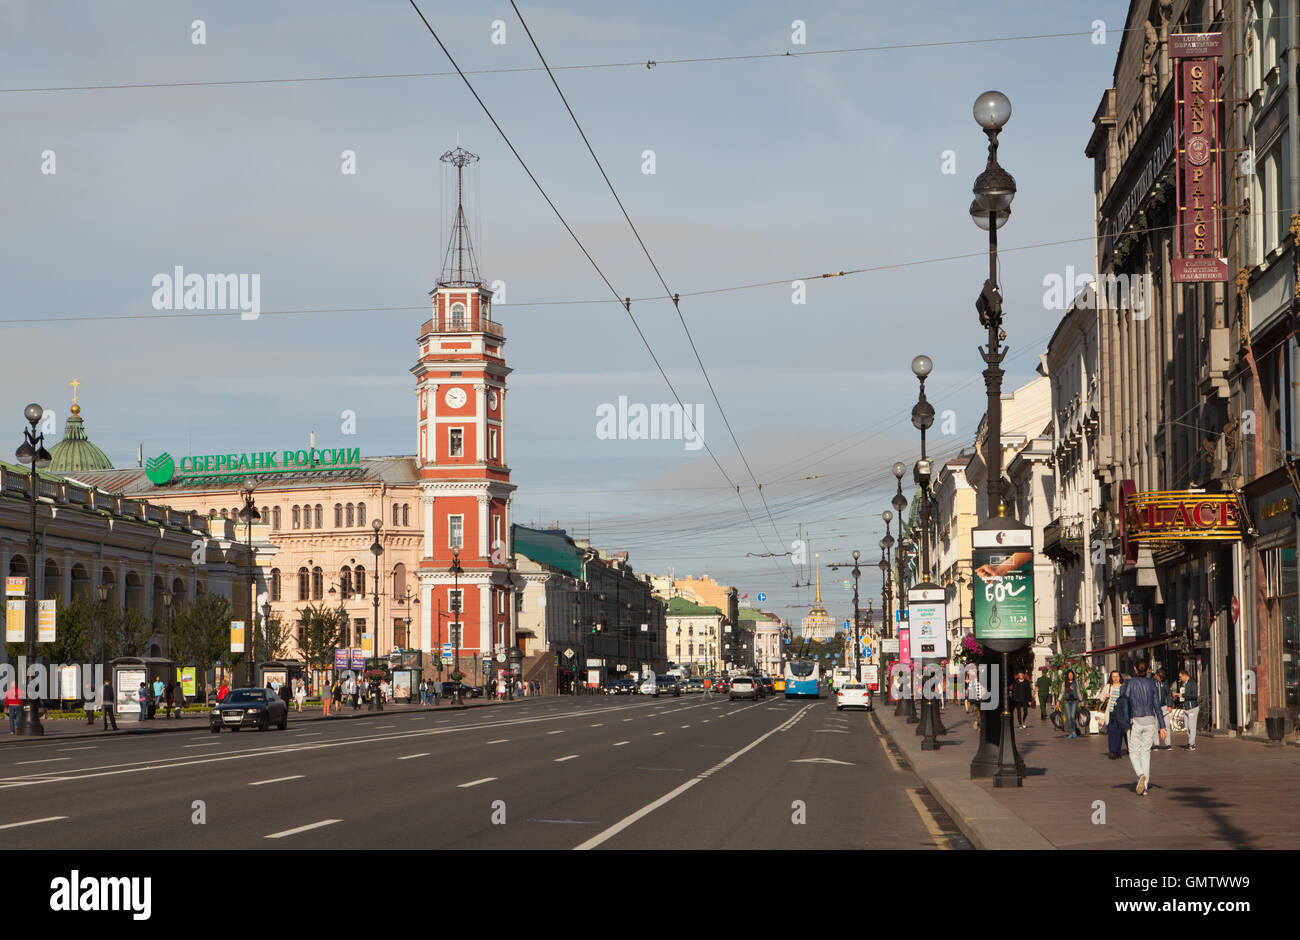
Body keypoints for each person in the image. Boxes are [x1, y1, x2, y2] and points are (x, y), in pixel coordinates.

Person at [1118, 660, 1167, 796]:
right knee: (1146, 753)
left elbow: (1124, 700)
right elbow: (1157, 705)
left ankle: (1140, 775)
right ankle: (1144, 787)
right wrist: (1162, 726)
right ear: (1148, 669)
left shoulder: (1130, 683)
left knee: (1133, 751)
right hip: (1150, 720)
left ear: (1134, 669)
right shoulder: (1152, 684)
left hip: (1136, 720)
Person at [1099, 670, 1124, 759]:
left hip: (1120, 713)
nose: (1116, 678)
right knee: (1112, 732)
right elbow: (1101, 698)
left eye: (1117, 676)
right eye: (1113, 676)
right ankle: (1112, 751)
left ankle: (1117, 751)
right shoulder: (1108, 686)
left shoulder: (1123, 687)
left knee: (1119, 733)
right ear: (1111, 678)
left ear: (1120, 677)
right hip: (1111, 712)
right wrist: (1106, 696)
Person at [1176, 669, 1200, 750]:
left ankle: (1192, 744)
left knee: (1192, 726)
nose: (1180, 678)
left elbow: (1194, 696)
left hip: (1192, 707)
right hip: (1186, 707)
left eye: (1180, 676)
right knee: (1187, 726)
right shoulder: (1184, 684)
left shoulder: (1192, 683)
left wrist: (1183, 695)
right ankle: (1191, 742)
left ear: (1185, 675)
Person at [1153, 670, 1173, 750]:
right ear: (1156, 675)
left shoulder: (1165, 683)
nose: (1161, 679)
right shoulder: (1151, 683)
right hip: (1154, 707)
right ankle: (1156, 744)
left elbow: (1168, 694)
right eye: (1159, 677)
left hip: (1163, 706)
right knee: (1155, 726)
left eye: (1162, 677)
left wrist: (1169, 705)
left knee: (1167, 725)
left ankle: (1168, 744)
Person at [1061, 669, 1081, 739]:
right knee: (1068, 717)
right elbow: (1062, 693)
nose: (1071, 676)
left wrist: (1081, 700)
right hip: (1067, 701)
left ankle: (1074, 731)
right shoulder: (1064, 683)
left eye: (1072, 675)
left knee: (1072, 717)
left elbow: (1078, 691)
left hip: (1074, 701)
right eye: (1069, 675)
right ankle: (1070, 732)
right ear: (1067, 676)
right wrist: (1058, 700)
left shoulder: (1076, 682)